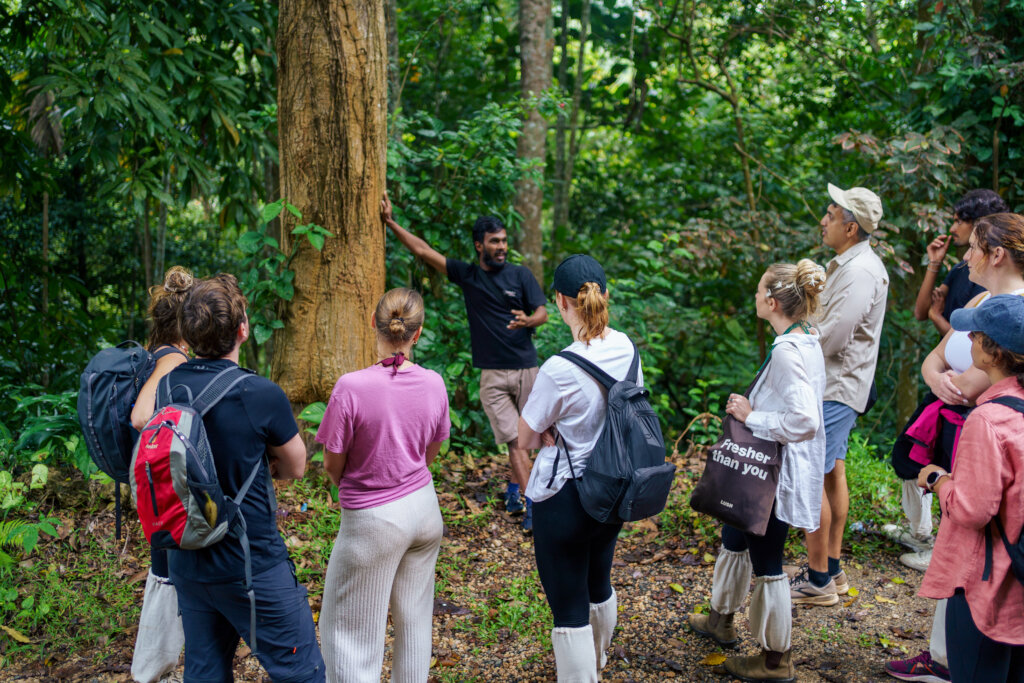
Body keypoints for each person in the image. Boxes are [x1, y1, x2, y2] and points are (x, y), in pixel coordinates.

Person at [165, 274, 324, 682]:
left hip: (188, 556)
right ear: (243, 329)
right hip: (248, 561)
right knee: (301, 671)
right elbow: (296, 466)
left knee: (205, 670)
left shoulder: (168, 386)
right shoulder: (259, 393)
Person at [886, 212, 1024, 683]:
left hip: (985, 429)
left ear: (997, 253)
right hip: (963, 424)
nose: (965, 257)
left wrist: (937, 477)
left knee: (982, 538)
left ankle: (968, 650)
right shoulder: (984, 300)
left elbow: (974, 383)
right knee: (962, 540)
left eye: (973, 249)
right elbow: (938, 355)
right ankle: (945, 651)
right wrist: (936, 377)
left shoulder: (1016, 315)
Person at [689, 260, 827, 682]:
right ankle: (721, 618)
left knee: (768, 564)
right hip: (765, 469)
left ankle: (775, 660)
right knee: (735, 531)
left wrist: (752, 418)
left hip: (776, 474)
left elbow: (805, 420)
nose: (754, 297)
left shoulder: (787, 351)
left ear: (771, 301)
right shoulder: (805, 337)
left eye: (758, 291)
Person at [382, 195, 547, 530]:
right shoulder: (469, 275)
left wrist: (530, 321)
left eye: (504, 241)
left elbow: (542, 311)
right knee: (515, 441)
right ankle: (535, 509)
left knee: (532, 439)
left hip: (528, 369)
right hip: (493, 376)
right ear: (479, 245)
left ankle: (517, 487)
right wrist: (390, 222)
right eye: (494, 242)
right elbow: (424, 252)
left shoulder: (521, 275)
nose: (501, 247)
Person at [315, 288, 450, 683]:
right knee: (414, 623)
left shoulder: (352, 387)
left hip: (373, 520)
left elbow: (331, 464)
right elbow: (432, 451)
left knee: (349, 634)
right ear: (417, 333)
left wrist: (356, 486)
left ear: (372, 323)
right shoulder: (435, 383)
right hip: (424, 511)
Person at [517, 254, 632, 682]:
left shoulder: (559, 368)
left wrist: (549, 428)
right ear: (606, 295)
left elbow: (525, 436)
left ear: (561, 303)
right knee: (599, 578)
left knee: (568, 609)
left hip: (566, 499)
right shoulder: (626, 347)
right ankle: (599, 657)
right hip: (614, 488)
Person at [886, 189, 1009, 568]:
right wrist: (936, 375)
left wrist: (945, 376)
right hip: (944, 393)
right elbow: (934, 335)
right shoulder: (969, 281)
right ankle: (926, 535)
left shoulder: (1003, 302)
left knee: (955, 479)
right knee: (911, 458)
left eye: (961, 225)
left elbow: (974, 370)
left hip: (970, 409)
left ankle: (943, 549)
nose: (965, 249)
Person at [914, 294, 1024, 682]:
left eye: (976, 334)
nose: (969, 340)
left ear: (993, 354)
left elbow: (972, 510)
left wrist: (938, 479)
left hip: (989, 586)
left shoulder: (988, 419)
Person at [790, 183, 888, 606]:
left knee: (812, 475)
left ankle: (818, 581)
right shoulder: (848, 265)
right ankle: (832, 567)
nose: (823, 220)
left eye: (830, 214)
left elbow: (831, 337)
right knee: (832, 473)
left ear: (850, 227)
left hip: (835, 387)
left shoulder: (861, 271)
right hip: (834, 386)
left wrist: (791, 343)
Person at [129, 266, 192, 683]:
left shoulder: (159, 352)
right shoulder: (172, 359)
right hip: (159, 483)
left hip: (154, 481)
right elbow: (139, 417)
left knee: (168, 570)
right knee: (166, 573)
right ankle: (152, 671)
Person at [912, 189, 1007, 335]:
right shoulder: (960, 268)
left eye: (958, 221)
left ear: (979, 222)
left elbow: (972, 340)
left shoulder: (993, 274)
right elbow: (921, 312)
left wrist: (936, 317)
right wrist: (935, 262)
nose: (952, 229)